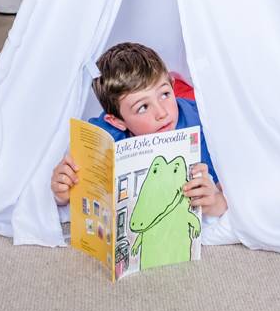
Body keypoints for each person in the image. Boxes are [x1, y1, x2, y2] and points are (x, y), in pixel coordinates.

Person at [51, 42, 228, 220]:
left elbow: (240, 191)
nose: (162, 113)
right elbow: (76, 189)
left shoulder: (203, 124)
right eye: (143, 107)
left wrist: (217, 202)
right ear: (118, 121)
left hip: (190, 101)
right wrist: (62, 192)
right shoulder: (105, 137)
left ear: (171, 86)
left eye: (165, 94)